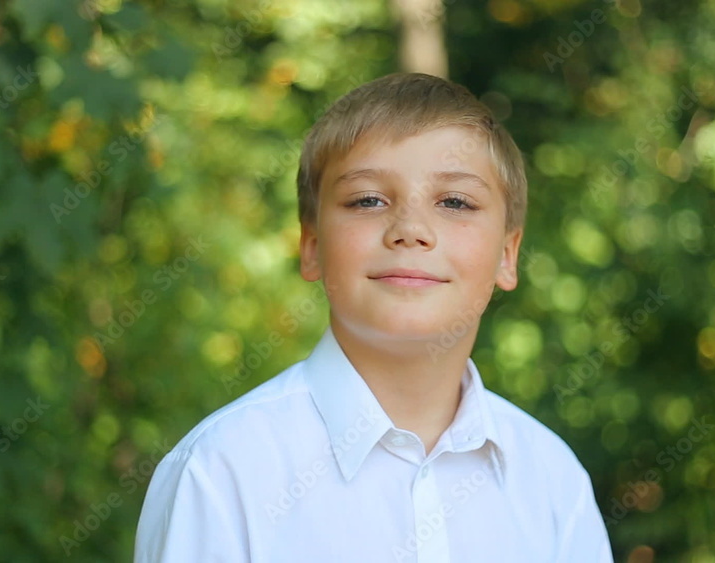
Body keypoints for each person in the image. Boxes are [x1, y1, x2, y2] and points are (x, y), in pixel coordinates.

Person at [134, 72, 613, 562]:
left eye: (454, 202)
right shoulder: (222, 472)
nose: (410, 230)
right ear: (313, 246)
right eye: (368, 200)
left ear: (507, 256)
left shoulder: (553, 481)